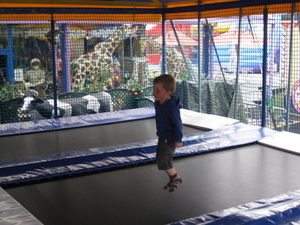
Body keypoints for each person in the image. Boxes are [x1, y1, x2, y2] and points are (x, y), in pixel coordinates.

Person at [153, 74, 183, 192]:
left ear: (168, 93)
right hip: (162, 136)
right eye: (154, 89)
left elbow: (178, 124)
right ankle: (173, 179)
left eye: (158, 90)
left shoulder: (172, 107)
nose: (154, 92)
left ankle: (176, 178)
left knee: (163, 161)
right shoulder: (158, 102)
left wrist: (178, 139)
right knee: (161, 159)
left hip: (169, 138)